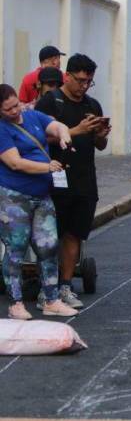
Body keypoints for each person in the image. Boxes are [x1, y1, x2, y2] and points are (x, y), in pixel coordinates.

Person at [35, 53, 109, 310]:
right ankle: (48, 288)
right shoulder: (50, 103)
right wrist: (75, 130)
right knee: (51, 234)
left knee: (75, 234)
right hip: (54, 177)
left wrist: (99, 134)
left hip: (84, 179)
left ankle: (65, 285)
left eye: (89, 81)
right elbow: (39, 139)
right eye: (80, 81)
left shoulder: (92, 105)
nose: (84, 86)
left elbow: (100, 145)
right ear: (68, 76)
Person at [0, 84, 78, 319]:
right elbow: (15, 162)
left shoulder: (33, 116)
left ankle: (51, 299)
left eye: (16, 105)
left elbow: (56, 125)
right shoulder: (2, 130)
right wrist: (48, 166)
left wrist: (64, 135)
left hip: (42, 196)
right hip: (14, 197)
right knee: (16, 248)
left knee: (48, 245)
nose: (15, 112)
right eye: (8, 110)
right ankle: (15, 303)